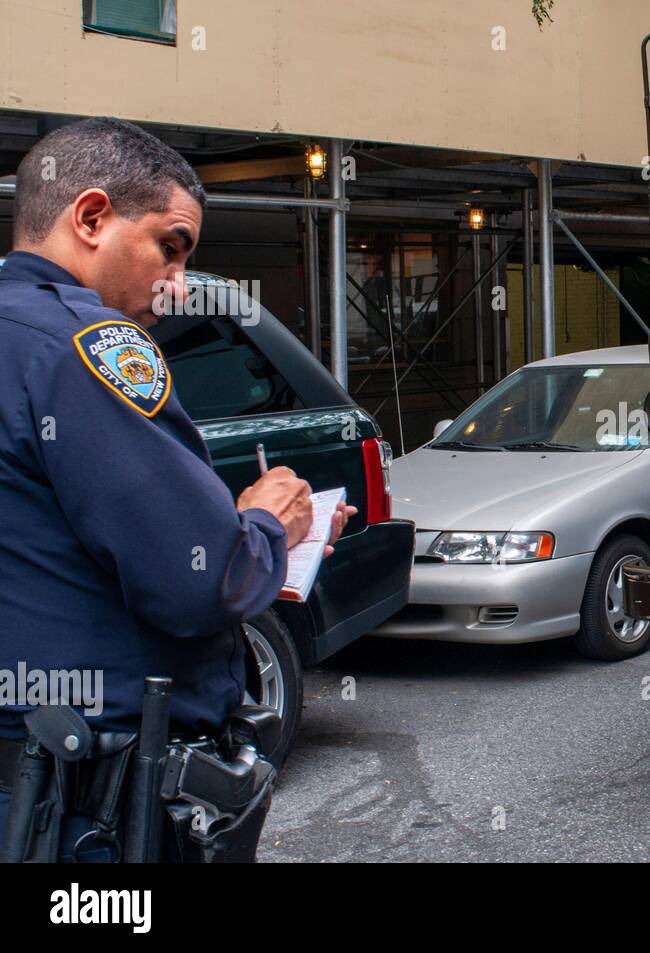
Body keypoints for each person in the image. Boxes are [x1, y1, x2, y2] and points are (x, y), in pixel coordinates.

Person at [0, 116, 355, 861]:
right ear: (91, 216)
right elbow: (203, 581)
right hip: (85, 811)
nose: (178, 286)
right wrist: (262, 526)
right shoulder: (83, 347)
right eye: (170, 246)